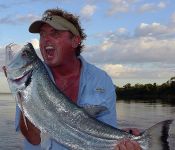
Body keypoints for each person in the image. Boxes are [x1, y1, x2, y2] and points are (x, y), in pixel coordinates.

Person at [15, 8, 141, 150]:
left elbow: (106, 136)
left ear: (75, 41)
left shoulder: (101, 80)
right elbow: (33, 138)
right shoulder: (33, 76)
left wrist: (122, 141)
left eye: (55, 33)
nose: (45, 40)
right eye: (42, 35)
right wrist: (25, 93)